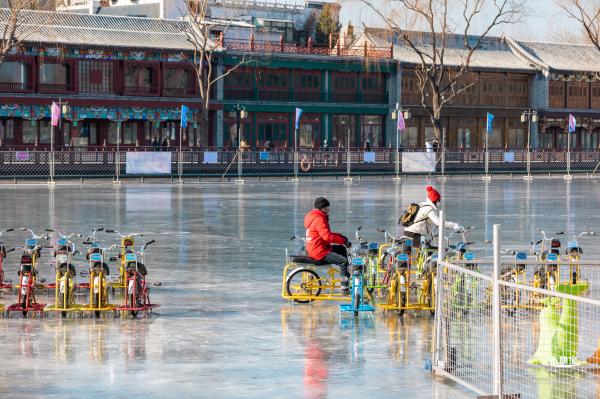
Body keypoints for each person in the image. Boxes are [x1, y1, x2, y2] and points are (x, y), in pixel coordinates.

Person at [304, 197, 351, 294]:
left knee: (341, 249)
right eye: (327, 208)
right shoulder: (319, 219)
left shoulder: (313, 216)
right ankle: (345, 287)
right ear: (323, 208)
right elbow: (327, 236)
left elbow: (323, 234)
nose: (329, 210)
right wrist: (343, 241)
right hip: (320, 252)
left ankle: (345, 275)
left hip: (316, 248)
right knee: (343, 262)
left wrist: (340, 237)